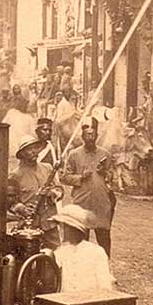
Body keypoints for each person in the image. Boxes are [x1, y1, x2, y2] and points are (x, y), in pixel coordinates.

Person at [58, 121, 115, 254]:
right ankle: (82, 264)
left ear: (97, 136)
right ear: (82, 137)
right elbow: (65, 177)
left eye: (93, 135)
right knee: (81, 238)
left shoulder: (105, 154)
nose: (90, 137)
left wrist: (104, 172)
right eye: (87, 135)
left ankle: (105, 263)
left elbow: (112, 176)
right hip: (82, 201)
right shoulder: (74, 154)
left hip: (101, 202)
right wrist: (81, 177)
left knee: (104, 237)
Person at [50, 205, 115, 293]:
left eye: (62, 227)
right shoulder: (60, 252)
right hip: (66, 299)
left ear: (71, 228)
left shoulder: (97, 252)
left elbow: (105, 287)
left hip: (91, 299)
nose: (60, 230)